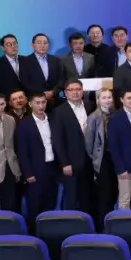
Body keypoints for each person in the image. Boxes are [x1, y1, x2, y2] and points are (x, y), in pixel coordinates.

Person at [15, 93, 61, 231]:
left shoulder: (53, 120)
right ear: (30, 104)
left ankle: (49, 233)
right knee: (35, 205)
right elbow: (22, 152)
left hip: (52, 167)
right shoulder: (24, 124)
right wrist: (28, 173)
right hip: (35, 171)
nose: (41, 106)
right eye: (37, 103)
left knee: (51, 202)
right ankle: (34, 234)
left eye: (43, 102)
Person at [51, 79, 95, 212]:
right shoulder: (59, 111)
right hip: (71, 162)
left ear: (82, 91)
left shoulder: (90, 106)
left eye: (78, 89)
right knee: (71, 197)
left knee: (87, 196)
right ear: (65, 93)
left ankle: (87, 221)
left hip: (90, 161)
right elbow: (58, 140)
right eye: (71, 90)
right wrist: (64, 163)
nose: (75, 92)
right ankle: (70, 223)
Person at [107, 88, 131, 210]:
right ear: (121, 100)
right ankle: (123, 221)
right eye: (129, 98)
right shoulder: (115, 119)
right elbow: (114, 147)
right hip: (125, 166)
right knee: (125, 198)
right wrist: (120, 168)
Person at [85, 88, 116, 231]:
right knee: (104, 193)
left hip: (114, 158)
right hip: (102, 159)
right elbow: (89, 143)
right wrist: (95, 159)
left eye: (109, 97)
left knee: (113, 191)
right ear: (98, 100)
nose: (107, 100)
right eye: (104, 98)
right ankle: (101, 225)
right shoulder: (93, 117)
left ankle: (110, 221)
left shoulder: (115, 114)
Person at [19, 33, 65, 107]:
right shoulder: (25, 61)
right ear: (32, 45)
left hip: (54, 100)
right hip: (35, 101)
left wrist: (53, 92)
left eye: (45, 43)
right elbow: (25, 82)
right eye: (39, 42)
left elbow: (61, 79)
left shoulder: (55, 60)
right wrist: (42, 94)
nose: (42, 45)